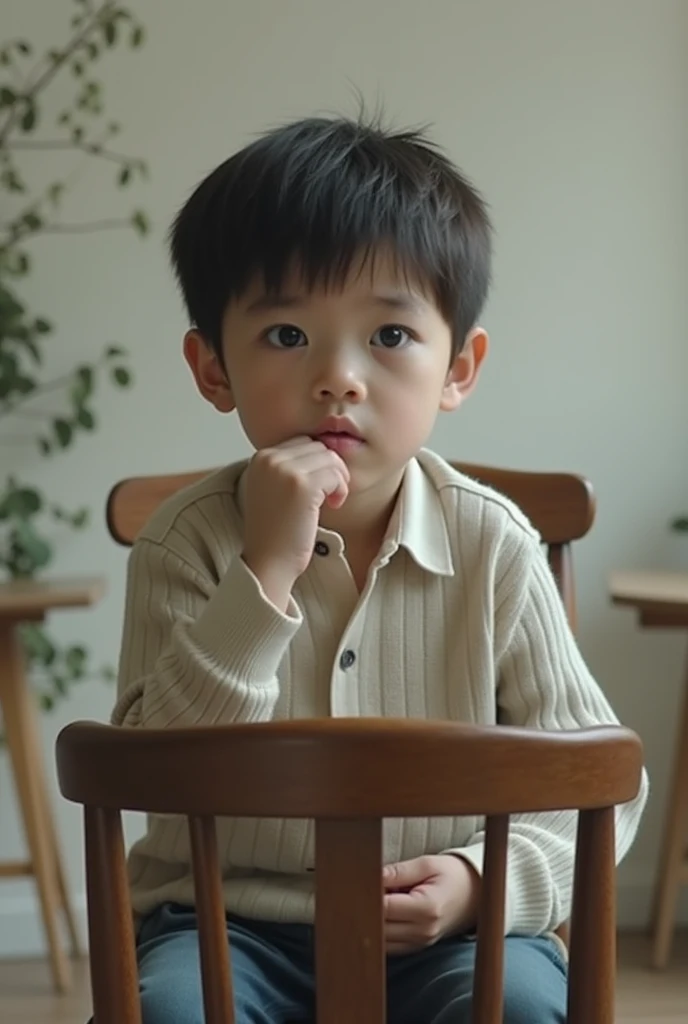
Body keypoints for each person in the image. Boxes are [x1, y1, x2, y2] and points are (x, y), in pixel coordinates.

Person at [112, 114, 648, 1024]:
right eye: (286, 335)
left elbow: (598, 782)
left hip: (454, 936)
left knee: (517, 1007)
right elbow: (149, 771)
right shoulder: (185, 542)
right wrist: (266, 573)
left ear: (459, 368)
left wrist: (484, 884)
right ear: (213, 370)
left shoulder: (496, 546)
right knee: (176, 1009)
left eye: (391, 337)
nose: (340, 378)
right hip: (228, 923)